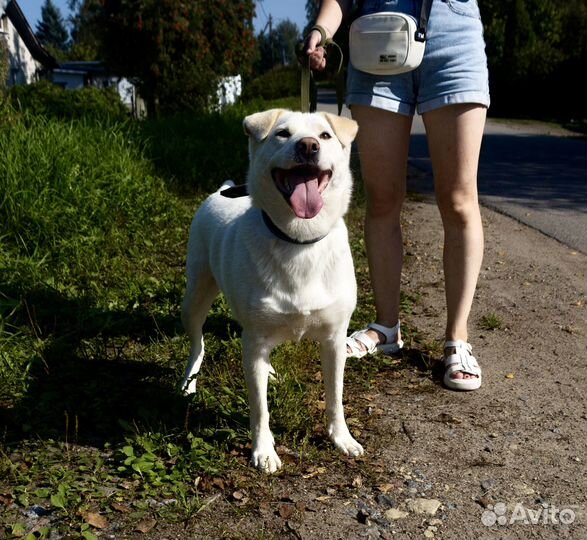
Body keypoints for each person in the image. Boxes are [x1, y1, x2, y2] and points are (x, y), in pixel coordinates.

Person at [305, 0, 489, 391]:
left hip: (453, 32)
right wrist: (321, 32)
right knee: (382, 196)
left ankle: (458, 338)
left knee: (458, 200)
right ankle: (386, 328)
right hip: (375, 32)